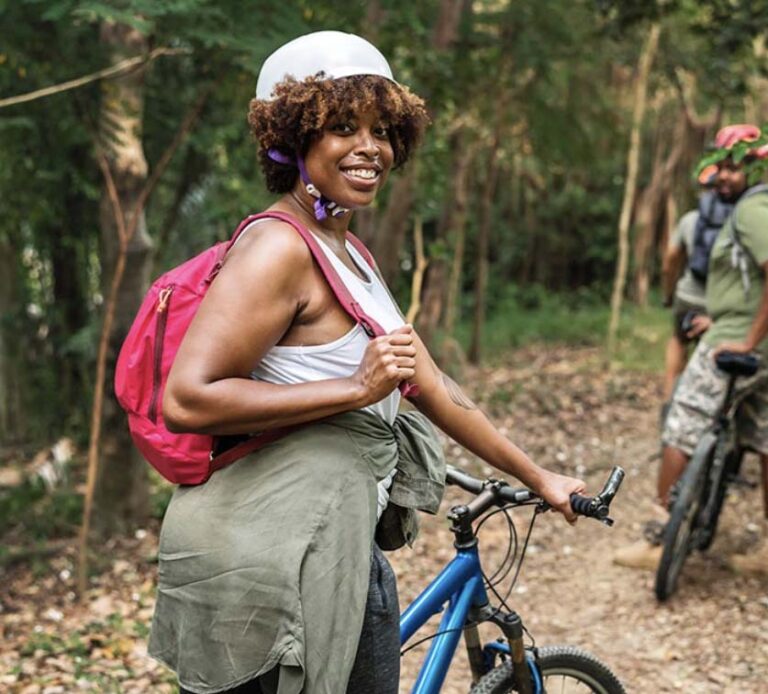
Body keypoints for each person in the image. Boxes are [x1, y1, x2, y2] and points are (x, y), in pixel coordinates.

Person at [149, 31, 586, 694]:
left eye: (383, 129)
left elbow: (431, 385)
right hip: (270, 561)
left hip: (334, 542)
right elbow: (188, 397)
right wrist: (353, 387)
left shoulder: (350, 255)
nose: (370, 147)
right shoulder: (278, 248)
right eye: (343, 127)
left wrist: (540, 475)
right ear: (293, 138)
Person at [615, 124, 768, 588]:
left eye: (732, 165)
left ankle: (658, 538)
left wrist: (744, 339)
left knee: (682, 423)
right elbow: (757, 283)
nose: (721, 174)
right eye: (718, 164)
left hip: (741, 340)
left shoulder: (755, 209)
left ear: (756, 165)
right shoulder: (767, 207)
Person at [659, 170, 733, 408]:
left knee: (678, 340)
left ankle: (669, 400)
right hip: (724, 304)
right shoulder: (740, 221)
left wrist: (668, 295)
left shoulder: (689, 220)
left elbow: (670, 261)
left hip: (688, 297)